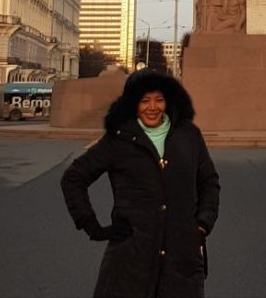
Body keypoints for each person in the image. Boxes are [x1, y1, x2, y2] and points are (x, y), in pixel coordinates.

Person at [61, 70, 220, 298]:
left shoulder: (189, 135)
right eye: (144, 100)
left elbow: (209, 181)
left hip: (181, 259)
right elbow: (73, 178)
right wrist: (91, 225)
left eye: (159, 99)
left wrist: (202, 224)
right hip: (131, 260)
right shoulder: (118, 139)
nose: (152, 107)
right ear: (132, 104)